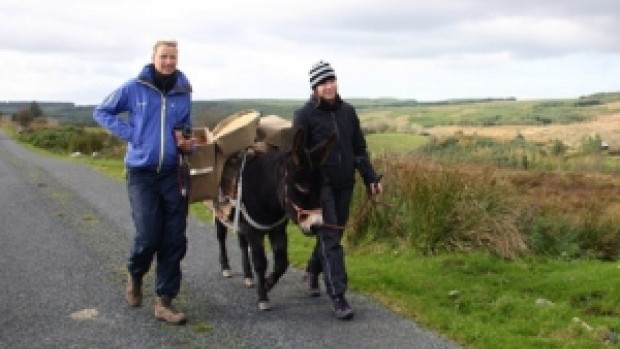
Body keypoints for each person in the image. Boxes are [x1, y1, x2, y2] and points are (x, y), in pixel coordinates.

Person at [93, 40, 194, 325]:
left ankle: (164, 301)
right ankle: (135, 274)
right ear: (153, 58)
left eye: (173, 57)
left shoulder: (183, 91)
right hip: (141, 173)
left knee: (174, 239)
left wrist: (188, 145)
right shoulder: (134, 87)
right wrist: (132, 134)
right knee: (148, 235)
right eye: (164, 56)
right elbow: (101, 111)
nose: (168, 62)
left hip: (173, 173)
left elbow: (185, 129)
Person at [292, 60, 383, 320]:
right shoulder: (304, 115)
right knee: (331, 238)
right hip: (322, 187)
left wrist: (370, 178)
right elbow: (297, 157)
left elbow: (359, 149)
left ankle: (312, 269)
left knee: (332, 235)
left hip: (346, 183)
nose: (329, 86)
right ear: (314, 87)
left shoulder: (348, 112)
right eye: (323, 83)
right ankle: (338, 296)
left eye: (332, 81)